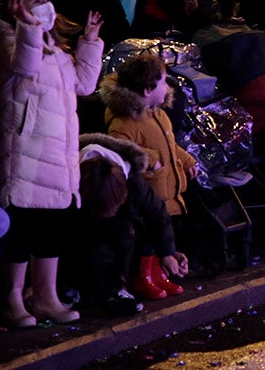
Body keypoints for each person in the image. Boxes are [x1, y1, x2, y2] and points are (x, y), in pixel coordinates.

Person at [0, 0, 104, 326]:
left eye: (47, 0)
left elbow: (85, 84)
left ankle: (46, 297)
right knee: (23, 229)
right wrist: (28, 25)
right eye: (36, 1)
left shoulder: (58, 52)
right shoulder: (9, 41)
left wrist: (89, 42)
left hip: (58, 154)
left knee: (51, 229)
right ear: (16, 7)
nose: (46, 7)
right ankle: (12, 299)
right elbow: (24, 66)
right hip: (25, 152)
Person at [98, 52, 198, 299]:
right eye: (163, 81)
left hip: (166, 191)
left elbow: (170, 144)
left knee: (159, 236)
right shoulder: (125, 122)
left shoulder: (158, 113)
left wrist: (186, 160)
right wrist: (150, 159)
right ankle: (143, 277)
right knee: (146, 239)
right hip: (148, 194)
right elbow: (120, 149)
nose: (168, 86)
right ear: (146, 90)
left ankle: (158, 275)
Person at [74, 134, 189, 315]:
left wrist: (167, 253)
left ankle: (117, 286)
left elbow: (157, 213)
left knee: (124, 235)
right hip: (83, 219)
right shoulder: (72, 176)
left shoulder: (131, 177)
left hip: (120, 222)